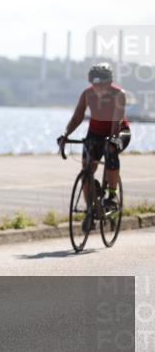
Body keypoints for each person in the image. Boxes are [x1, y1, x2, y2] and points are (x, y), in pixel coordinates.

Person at [57, 62, 131, 231]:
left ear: (110, 81)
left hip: (119, 130)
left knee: (111, 150)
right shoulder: (87, 93)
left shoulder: (119, 94)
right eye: (94, 83)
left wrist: (112, 140)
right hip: (95, 133)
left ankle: (112, 196)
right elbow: (77, 117)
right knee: (86, 170)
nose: (98, 87)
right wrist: (65, 135)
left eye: (102, 83)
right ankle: (91, 210)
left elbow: (117, 120)